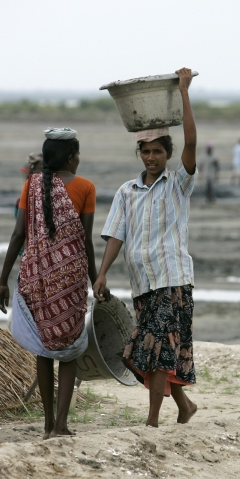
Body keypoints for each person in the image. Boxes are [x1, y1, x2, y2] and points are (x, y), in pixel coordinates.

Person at [93, 67, 198, 428]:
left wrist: (183, 92)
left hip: (172, 282)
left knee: (156, 352)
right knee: (148, 352)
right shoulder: (127, 192)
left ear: (167, 153)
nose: (151, 158)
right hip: (143, 285)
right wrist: (102, 273)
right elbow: (116, 235)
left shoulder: (178, 184)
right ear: (139, 153)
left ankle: (152, 422)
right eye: (145, 152)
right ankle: (184, 406)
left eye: (157, 152)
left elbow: (192, 145)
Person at [0, 127, 102, 439]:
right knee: (69, 350)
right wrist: (96, 281)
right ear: (71, 157)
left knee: (44, 349)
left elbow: (18, 235)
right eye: (78, 154)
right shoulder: (86, 187)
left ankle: (46, 425)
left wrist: (3, 280)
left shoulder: (31, 185)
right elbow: (86, 242)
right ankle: (61, 426)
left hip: (36, 278)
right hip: (69, 282)